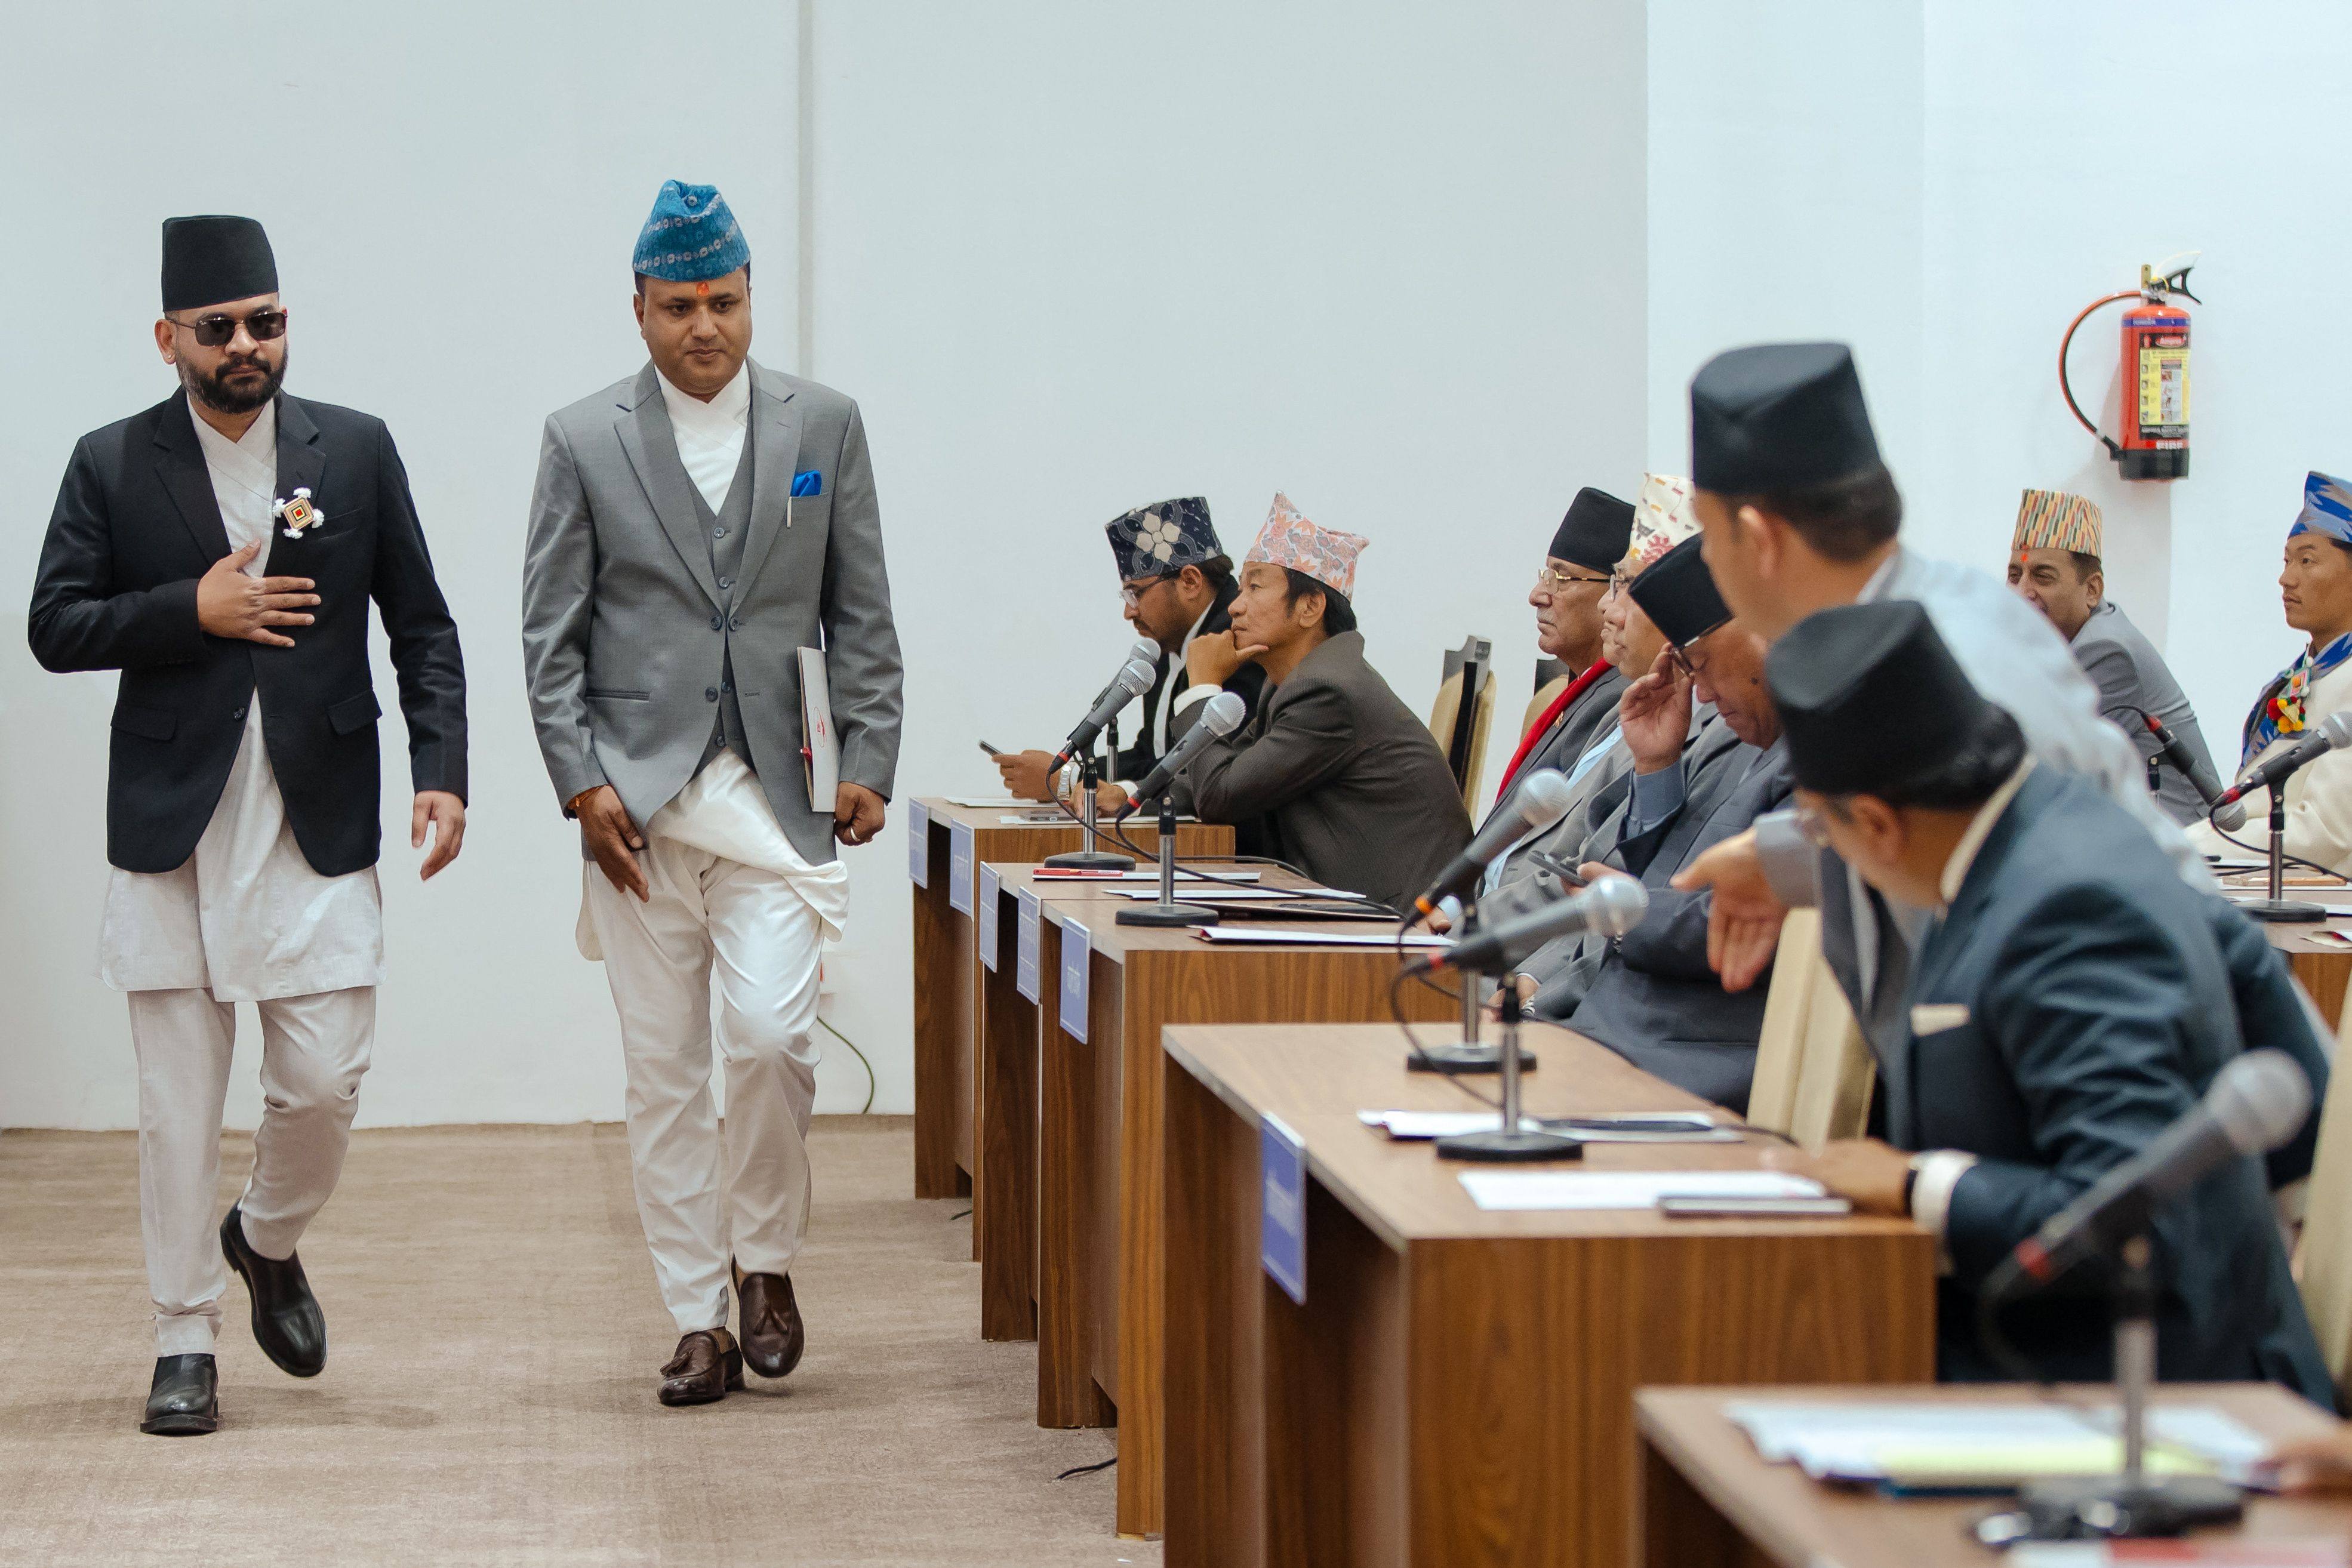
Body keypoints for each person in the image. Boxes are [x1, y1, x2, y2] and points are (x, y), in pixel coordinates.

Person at [28, 215, 469, 1436]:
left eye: (264, 322)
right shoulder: (111, 462)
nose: (244, 346)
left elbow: (422, 627)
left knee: (324, 1078)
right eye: (217, 327)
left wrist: (444, 767)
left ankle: (264, 1235)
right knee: (177, 1100)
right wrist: (192, 607)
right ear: (168, 338)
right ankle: (183, 1336)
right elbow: (55, 623)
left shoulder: (357, 450)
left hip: (314, 812)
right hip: (171, 821)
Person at [520, 181, 903, 1407]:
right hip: (635, 806)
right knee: (663, 1068)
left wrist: (870, 755)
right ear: (637, 307)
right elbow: (550, 632)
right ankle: (696, 1314)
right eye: (678, 305)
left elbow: (861, 611)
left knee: (772, 1033)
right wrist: (578, 781)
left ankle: (768, 1259)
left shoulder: (822, 425)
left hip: (779, 795)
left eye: (724, 303)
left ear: (752, 299)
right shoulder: (583, 437)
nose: (703, 326)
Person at [1761, 600, 2331, 1397]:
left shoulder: (2068, 905)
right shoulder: (2052, 825)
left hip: (2151, 1392)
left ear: (1879, 823)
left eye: (1823, 832)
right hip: (2054, 1352)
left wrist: (1913, 1182)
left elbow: (2134, 1215)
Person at [1666, 341, 2205, 1056]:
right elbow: (1943, 832)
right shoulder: (1920, 618)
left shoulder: (1952, 672)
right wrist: (1785, 860)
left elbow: (2062, 916)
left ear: (1759, 539)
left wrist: (1926, 1177)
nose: (1705, 562)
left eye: (1708, 533)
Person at [1538, 535, 1791, 1112]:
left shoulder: (1821, 756)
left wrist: (1624, 914)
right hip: (1605, 1034)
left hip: (1681, 1064)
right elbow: (1667, 879)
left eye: (1701, 665)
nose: (1698, 691)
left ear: (1757, 632)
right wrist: (1656, 767)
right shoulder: (1739, 729)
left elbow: (1747, 919)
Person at [1171, 493, 1469, 908]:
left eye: (1255, 585)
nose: (1235, 607)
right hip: (1347, 901)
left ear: (1310, 607)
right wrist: (1131, 793)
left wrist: (1202, 684)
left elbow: (1220, 796)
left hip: (1399, 922)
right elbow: (1226, 774)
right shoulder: (1293, 683)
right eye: (1240, 588)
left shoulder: (1330, 692)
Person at [990, 497, 1266, 813]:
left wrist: (1069, 779)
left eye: (1136, 593)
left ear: (1190, 582)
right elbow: (1150, 756)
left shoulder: (1238, 643)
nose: (1128, 612)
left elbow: (1207, 768)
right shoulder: (1168, 642)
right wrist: (1071, 773)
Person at [2006, 487, 2216, 825]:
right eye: (2015, 575)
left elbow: (2054, 767)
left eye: (2042, 577)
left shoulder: (2106, 649)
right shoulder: (2062, 640)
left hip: (2186, 843)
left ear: (2092, 590)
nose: (2022, 592)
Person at [2185, 472, 2352, 873]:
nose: (2286, 578)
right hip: (2261, 875)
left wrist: (2196, 844)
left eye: (2307, 560)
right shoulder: (2310, 670)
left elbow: (2325, 833)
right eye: (2287, 560)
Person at [1489, 486, 1634, 803]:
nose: (1536, 595)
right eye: (1546, 575)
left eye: (1560, 578)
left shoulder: (1624, 703)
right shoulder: (1588, 689)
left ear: (1615, 591)